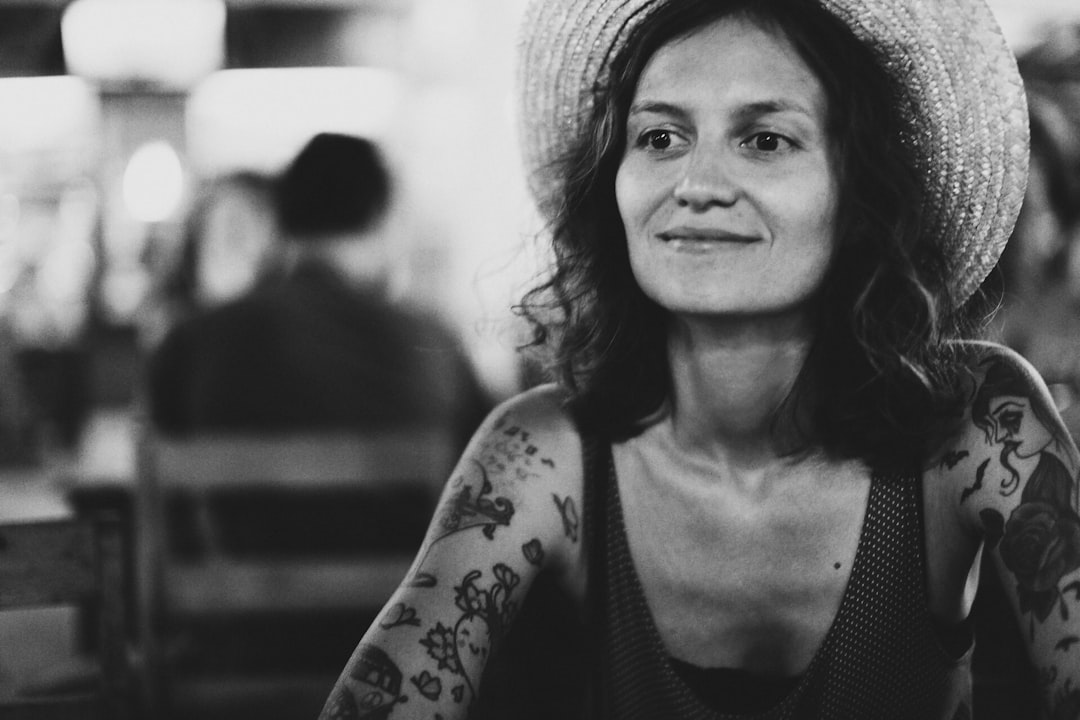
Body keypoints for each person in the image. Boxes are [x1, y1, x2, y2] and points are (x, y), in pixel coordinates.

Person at [319, 0, 1074, 718]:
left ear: (859, 192)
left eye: (765, 140)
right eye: (659, 137)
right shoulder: (541, 455)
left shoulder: (978, 423)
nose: (697, 185)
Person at [146, 133, 490, 448]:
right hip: (404, 519)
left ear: (282, 219)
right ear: (380, 216)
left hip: (248, 519)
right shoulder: (434, 344)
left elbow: (160, 447)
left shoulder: (190, 344)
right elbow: (485, 460)